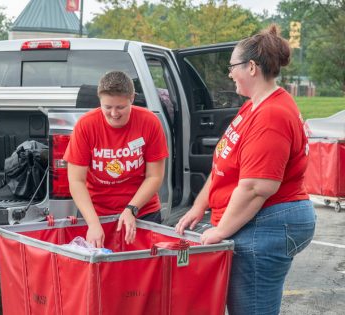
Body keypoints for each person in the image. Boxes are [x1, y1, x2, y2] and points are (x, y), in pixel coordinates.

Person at [175, 24, 316, 315]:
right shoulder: (253, 107)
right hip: (262, 218)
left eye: (232, 67)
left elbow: (256, 187)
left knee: (250, 308)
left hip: (269, 221)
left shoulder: (271, 115)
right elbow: (225, 163)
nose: (230, 74)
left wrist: (221, 230)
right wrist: (199, 206)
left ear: (251, 67)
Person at [64, 70, 169, 248]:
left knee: (142, 270)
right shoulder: (86, 125)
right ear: (100, 101)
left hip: (142, 211)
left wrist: (131, 209)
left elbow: (155, 176)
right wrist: (93, 223)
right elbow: (76, 180)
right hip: (96, 213)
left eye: (120, 107)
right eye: (107, 107)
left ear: (132, 99)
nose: (114, 113)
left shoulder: (149, 122)